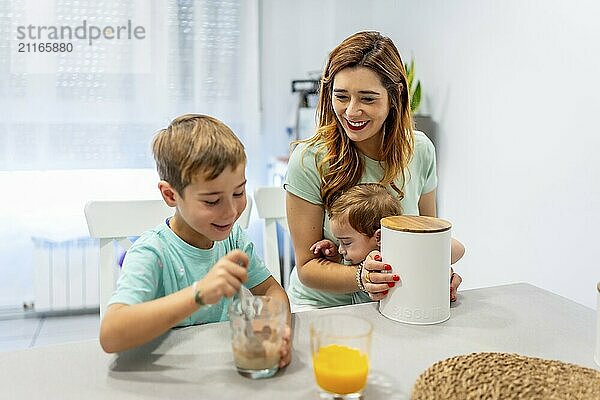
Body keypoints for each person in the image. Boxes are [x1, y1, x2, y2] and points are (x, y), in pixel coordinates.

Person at [284, 30, 465, 310]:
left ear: (395, 96)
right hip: (322, 308)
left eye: (367, 99)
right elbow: (307, 268)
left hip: (397, 301)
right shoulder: (309, 159)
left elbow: (430, 239)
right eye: (341, 96)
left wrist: (440, 273)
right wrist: (362, 277)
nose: (351, 111)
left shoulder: (420, 150)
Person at [99, 114, 292, 369]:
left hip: (219, 371)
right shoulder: (152, 253)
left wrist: (276, 330)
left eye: (238, 192)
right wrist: (198, 294)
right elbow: (111, 335)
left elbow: (270, 291)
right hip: (165, 377)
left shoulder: (234, 239)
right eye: (212, 201)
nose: (232, 211)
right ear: (170, 195)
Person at [310, 183, 464, 303]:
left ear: (378, 237)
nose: (341, 249)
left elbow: (459, 249)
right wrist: (333, 256)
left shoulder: (400, 255)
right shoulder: (360, 260)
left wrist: (417, 242)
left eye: (346, 242)